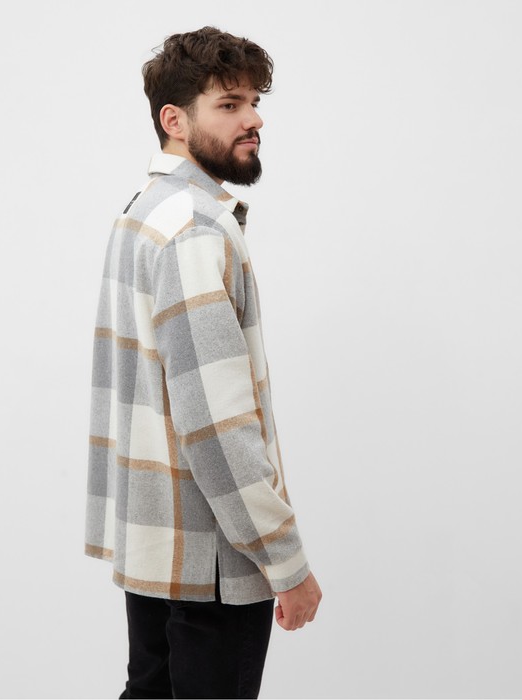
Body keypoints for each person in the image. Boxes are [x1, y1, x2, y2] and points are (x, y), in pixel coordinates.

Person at [85, 26, 322, 699]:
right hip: (213, 562)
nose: (254, 120)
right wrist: (286, 561)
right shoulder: (193, 228)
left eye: (254, 102)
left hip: (160, 551)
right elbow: (214, 424)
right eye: (229, 105)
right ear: (175, 120)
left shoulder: (142, 213)